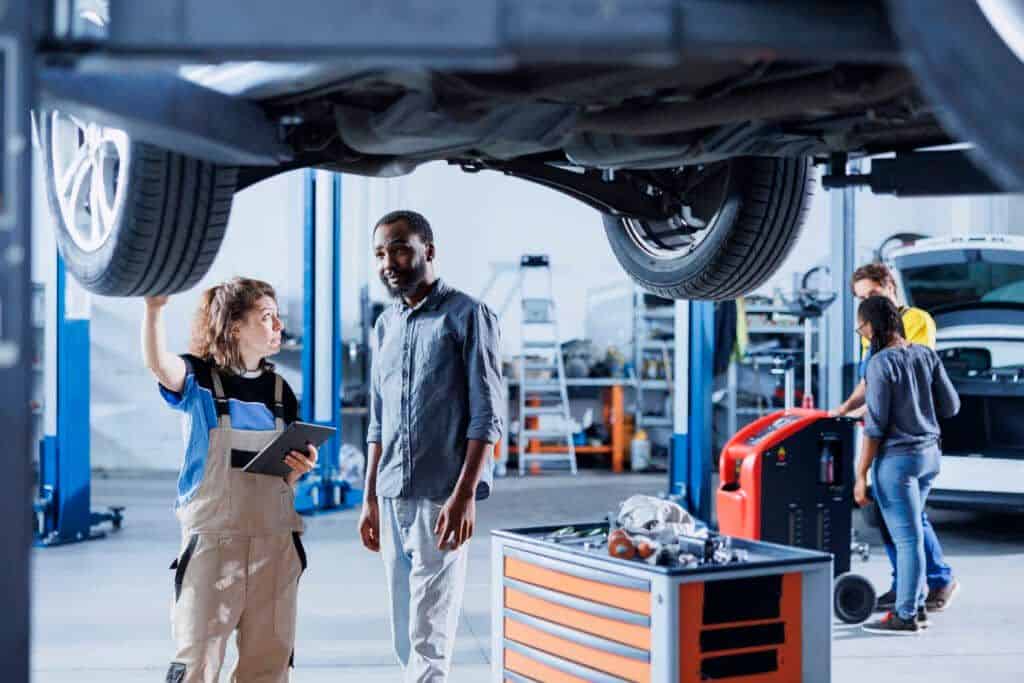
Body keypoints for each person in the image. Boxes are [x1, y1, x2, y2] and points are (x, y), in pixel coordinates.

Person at [143, 278, 318, 682]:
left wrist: (298, 467)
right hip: (213, 545)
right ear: (235, 327)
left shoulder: (281, 392)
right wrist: (154, 310)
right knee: (196, 662)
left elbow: (283, 481)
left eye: (278, 319)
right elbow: (159, 364)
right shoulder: (200, 380)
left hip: (274, 546)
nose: (278, 328)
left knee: (269, 664)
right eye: (267, 318)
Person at [358, 210, 503, 682]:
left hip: (440, 492)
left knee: (429, 628)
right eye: (380, 252)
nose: (388, 262)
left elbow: (487, 415)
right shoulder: (385, 326)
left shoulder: (467, 315)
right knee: (404, 627)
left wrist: (463, 496)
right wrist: (368, 499)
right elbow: (378, 423)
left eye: (399, 248)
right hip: (390, 489)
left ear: (428, 250)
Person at [832, 262, 960, 613]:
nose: (861, 331)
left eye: (870, 297)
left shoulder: (916, 325)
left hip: (898, 454)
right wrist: (845, 408)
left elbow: (882, 409)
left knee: (907, 534)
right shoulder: (919, 356)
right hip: (927, 451)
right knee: (906, 529)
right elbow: (950, 405)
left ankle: (910, 608)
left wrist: (860, 474)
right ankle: (909, 591)